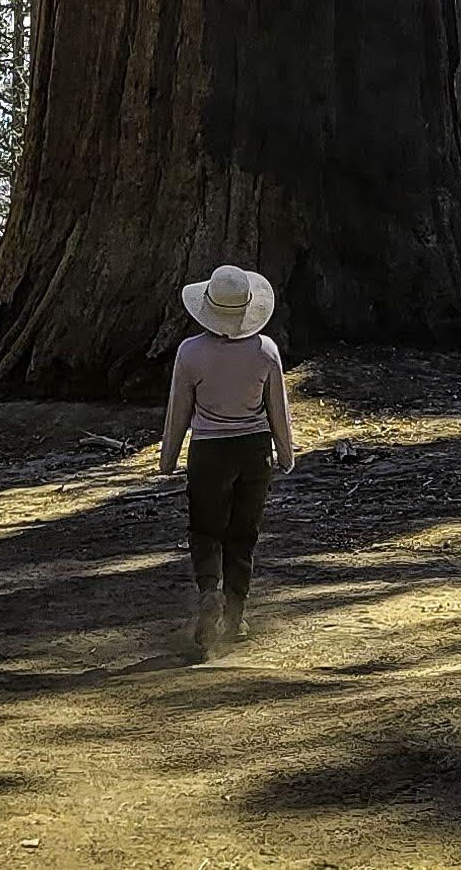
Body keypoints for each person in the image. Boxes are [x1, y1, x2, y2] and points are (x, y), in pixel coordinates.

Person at [158, 262, 296, 660]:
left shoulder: (191, 353)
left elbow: (178, 412)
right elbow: (278, 412)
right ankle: (235, 615)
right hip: (254, 450)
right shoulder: (265, 351)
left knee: (204, 528)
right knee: (243, 532)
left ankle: (208, 591)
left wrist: (168, 460)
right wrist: (285, 454)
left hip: (210, 451)